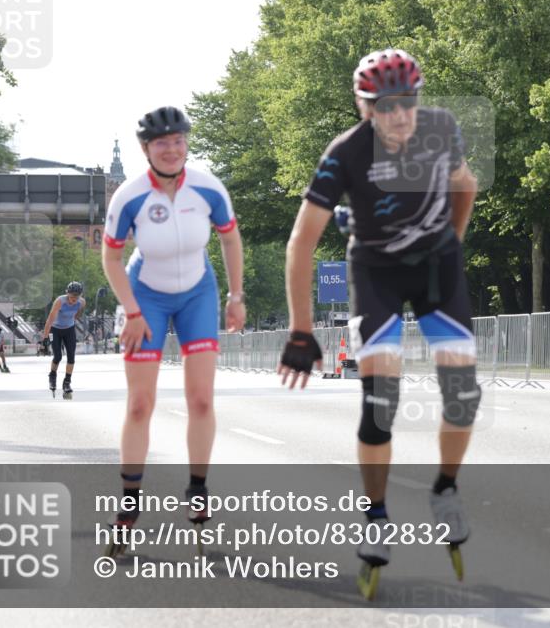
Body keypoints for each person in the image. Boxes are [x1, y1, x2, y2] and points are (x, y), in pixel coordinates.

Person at [277, 49, 481, 597]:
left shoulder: (441, 129)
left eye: (407, 102)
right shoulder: (344, 152)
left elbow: (466, 185)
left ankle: (444, 489)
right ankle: (377, 515)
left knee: (462, 392)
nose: (399, 115)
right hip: (377, 274)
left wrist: (453, 243)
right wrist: (302, 329)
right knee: (380, 400)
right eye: (384, 106)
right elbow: (301, 243)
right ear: (364, 106)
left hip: (437, 268)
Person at [101, 105, 246, 544]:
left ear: (187, 143)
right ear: (146, 149)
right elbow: (111, 257)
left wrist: (235, 295)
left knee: (201, 400)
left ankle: (197, 490)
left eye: (178, 141)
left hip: (197, 293)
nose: (171, 150)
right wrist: (131, 311)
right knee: (140, 404)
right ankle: (129, 505)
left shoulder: (207, 187)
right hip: (146, 295)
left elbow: (230, 236)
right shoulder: (129, 195)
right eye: (162, 143)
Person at [43, 282, 86, 395]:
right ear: (67, 294)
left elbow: (77, 314)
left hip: (69, 329)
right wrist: (45, 338)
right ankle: (52, 376)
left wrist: (70, 320)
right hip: (55, 330)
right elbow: (50, 320)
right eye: (71, 297)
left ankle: (67, 382)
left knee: (71, 357)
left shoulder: (81, 302)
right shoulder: (60, 301)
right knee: (58, 356)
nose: (73, 300)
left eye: (76, 298)